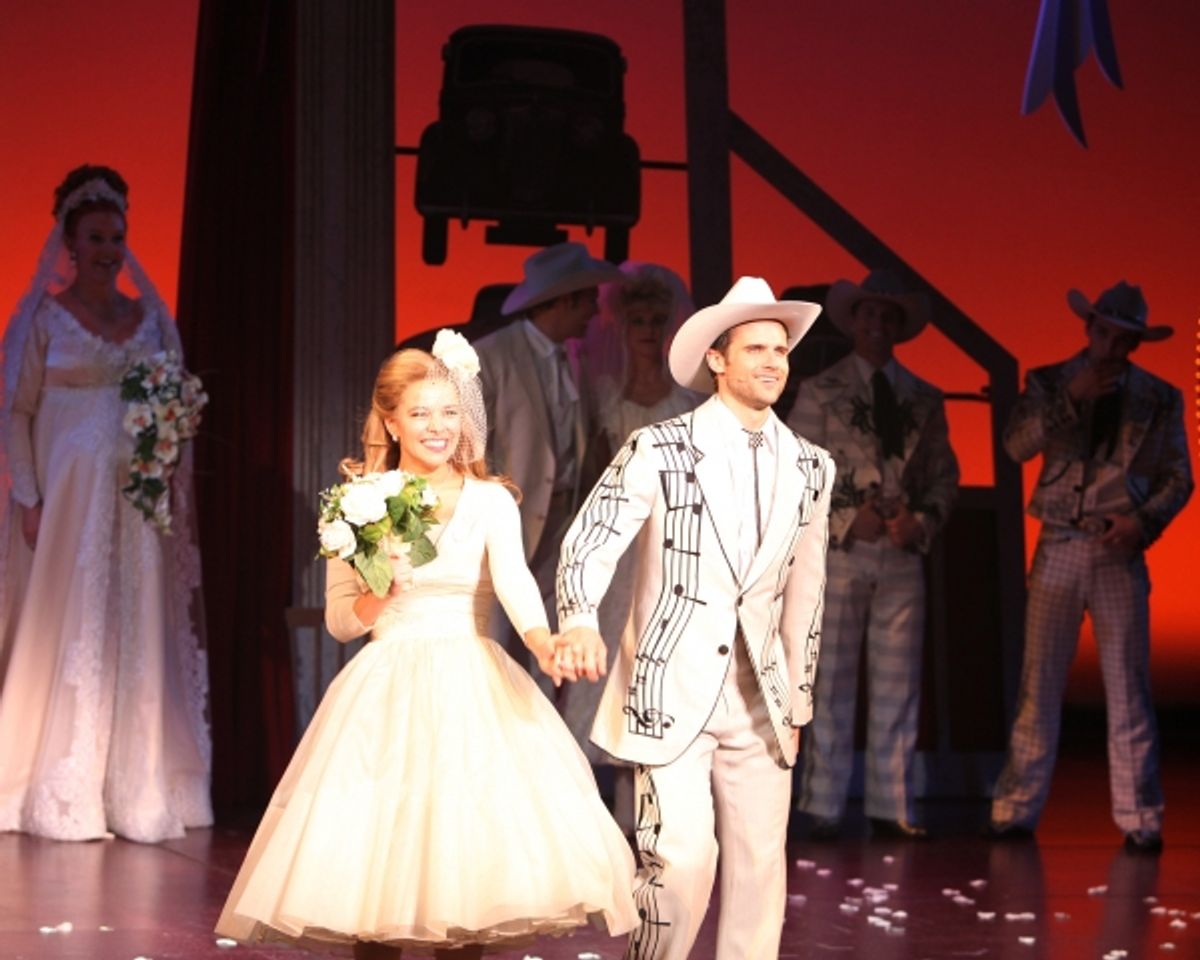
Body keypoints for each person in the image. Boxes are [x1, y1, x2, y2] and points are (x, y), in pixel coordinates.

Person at [215, 334, 636, 958]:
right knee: (374, 883)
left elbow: (516, 584)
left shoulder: (492, 500)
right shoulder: (359, 503)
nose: (438, 427)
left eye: (448, 412)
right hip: (385, 692)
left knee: (465, 880)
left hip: (473, 685)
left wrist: (545, 641)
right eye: (419, 413)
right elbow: (338, 620)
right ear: (390, 419)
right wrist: (383, 592)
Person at [555, 277, 834, 960]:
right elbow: (592, 535)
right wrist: (580, 617)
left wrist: (797, 699)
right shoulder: (661, 447)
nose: (773, 361)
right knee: (679, 864)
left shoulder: (811, 466)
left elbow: (808, 590)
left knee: (760, 871)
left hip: (760, 699)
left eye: (781, 349)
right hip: (668, 688)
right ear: (718, 358)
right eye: (757, 348)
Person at [0, 165, 211, 843]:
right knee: (68, 625)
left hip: (135, 499)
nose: (108, 249)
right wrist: (28, 497)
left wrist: (166, 456)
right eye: (95, 236)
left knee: (133, 627)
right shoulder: (44, 316)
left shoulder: (148, 319)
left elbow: (172, 401)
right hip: (67, 503)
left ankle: (138, 788)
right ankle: (59, 782)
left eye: (117, 237)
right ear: (69, 240)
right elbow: (17, 409)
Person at [989, 281, 1192, 854]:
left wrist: (1142, 524)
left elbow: (1179, 477)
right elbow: (1017, 445)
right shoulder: (1052, 380)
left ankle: (1140, 816)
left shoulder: (1160, 397)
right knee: (1039, 683)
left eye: (1123, 339)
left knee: (1128, 686)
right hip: (1059, 540)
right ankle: (1014, 809)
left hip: (1117, 547)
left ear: (1134, 342)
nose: (1111, 346)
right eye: (1104, 333)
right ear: (1089, 329)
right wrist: (1071, 397)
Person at [787, 269, 959, 840]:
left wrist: (922, 520)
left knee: (897, 681)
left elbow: (943, 478)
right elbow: (797, 471)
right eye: (869, 315)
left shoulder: (925, 397)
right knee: (830, 680)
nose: (877, 325)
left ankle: (893, 805)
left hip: (901, 552)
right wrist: (842, 518)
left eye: (887, 317)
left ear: (899, 326)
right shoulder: (820, 389)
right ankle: (823, 805)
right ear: (853, 321)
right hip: (842, 553)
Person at [562, 261, 702, 829]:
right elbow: (592, 481)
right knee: (604, 666)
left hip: (672, 555)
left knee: (658, 669)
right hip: (619, 557)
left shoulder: (692, 401)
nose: (646, 329)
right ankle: (580, 815)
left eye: (656, 319)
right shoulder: (603, 397)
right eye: (637, 319)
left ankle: (644, 815)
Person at [474, 242, 622, 675]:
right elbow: (472, 445)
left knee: (550, 639)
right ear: (566, 300)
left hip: (563, 518)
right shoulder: (493, 355)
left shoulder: (575, 355)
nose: (595, 310)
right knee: (502, 635)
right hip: (512, 517)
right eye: (588, 299)